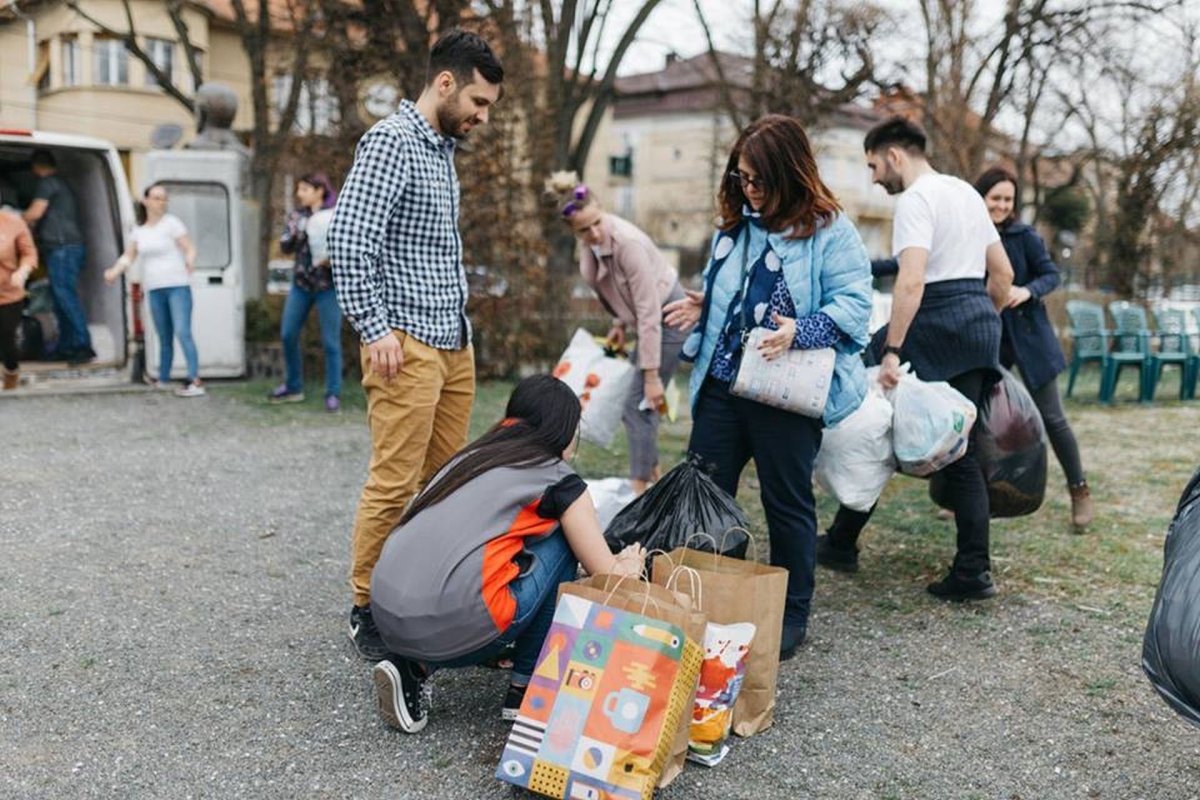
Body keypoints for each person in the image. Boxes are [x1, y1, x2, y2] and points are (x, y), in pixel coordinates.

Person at [663, 114, 873, 659]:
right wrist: (704, 305)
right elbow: (734, 291)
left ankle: (790, 612)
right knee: (705, 497)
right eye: (741, 178)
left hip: (786, 393)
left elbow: (855, 307)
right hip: (723, 386)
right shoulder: (735, 226)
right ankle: (708, 596)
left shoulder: (830, 230)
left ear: (789, 174)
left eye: (757, 179)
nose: (748, 189)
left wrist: (800, 330)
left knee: (787, 504)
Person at [330, 29, 504, 661]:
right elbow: (349, 240)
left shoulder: (441, 151)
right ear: (446, 83)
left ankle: (417, 592)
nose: (482, 118)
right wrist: (373, 330)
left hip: (452, 342)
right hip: (404, 344)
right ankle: (363, 606)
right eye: (479, 104)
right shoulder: (392, 143)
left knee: (443, 484)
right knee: (394, 481)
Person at [369, 375, 647, 733]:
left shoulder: (469, 458)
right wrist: (630, 563)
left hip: (386, 613)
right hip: (458, 621)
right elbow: (609, 579)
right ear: (564, 430)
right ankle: (528, 688)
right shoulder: (559, 481)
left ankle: (414, 666)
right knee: (564, 541)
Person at [816, 117, 1014, 600]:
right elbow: (1003, 275)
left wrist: (892, 350)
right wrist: (977, 316)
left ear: (895, 155)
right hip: (978, 324)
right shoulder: (967, 193)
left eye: (873, 166)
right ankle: (845, 540)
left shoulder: (916, 200)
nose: (874, 178)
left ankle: (970, 572)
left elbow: (911, 281)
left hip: (935, 322)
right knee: (948, 443)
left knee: (884, 425)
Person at [872, 167, 1094, 530]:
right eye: (996, 198)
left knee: (1052, 417)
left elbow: (1049, 274)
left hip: (1025, 338)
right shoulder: (966, 226)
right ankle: (963, 498)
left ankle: (1079, 490)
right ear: (981, 199)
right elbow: (908, 261)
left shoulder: (1025, 236)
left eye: (1008, 199)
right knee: (968, 422)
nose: (1002, 206)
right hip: (981, 337)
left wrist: (1027, 291)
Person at [546, 171, 687, 494]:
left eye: (597, 222)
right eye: (584, 230)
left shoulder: (628, 243)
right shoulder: (590, 249)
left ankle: (641, 491)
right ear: (574, 231)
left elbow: (650, 310)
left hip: (669, 318)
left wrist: (651, 376)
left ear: (602, 208)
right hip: (647, 323)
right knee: (641, 406)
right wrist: (618, 324)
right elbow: (616, 290)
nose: (594, 233)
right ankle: (653, 483)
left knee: (638, 404)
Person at [104, 183, 205, 397]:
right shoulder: (139, 231)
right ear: (146, 201)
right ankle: (164, 378)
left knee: (182, 331)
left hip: (177, 284)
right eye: (157, 198)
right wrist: (114, 271)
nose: (161, 202)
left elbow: (189, 246)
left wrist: (190, 260)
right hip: (155, 287)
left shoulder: (172, 224)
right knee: (163, 335)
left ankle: (194, 379)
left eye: (164, 199)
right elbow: (129, 256)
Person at [267, 172, 343, 412]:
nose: (299, 194)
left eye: (304, 190)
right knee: (288, 334)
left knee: (331, 342)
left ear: (319, 190)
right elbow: (285, 246)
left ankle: (333, 393)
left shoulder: (337, 214)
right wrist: (298, 230)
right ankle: (293, 386)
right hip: (301, 285)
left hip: (327, 287)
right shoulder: (297, 216)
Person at [23, 149, 93, 365]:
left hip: (64, 249)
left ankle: (83, 345)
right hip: (64, 249)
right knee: (60, 300)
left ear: (37, 167)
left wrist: (12, 218)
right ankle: (67, 347)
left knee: (65, 298)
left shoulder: (48, 183)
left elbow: (35, 213)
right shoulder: (61, 183)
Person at [0, 208, 38, 390]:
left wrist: (23, 271)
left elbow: (29, 253)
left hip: (8, 293)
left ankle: (11, 373)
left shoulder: (13, 223)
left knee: (7, 338)